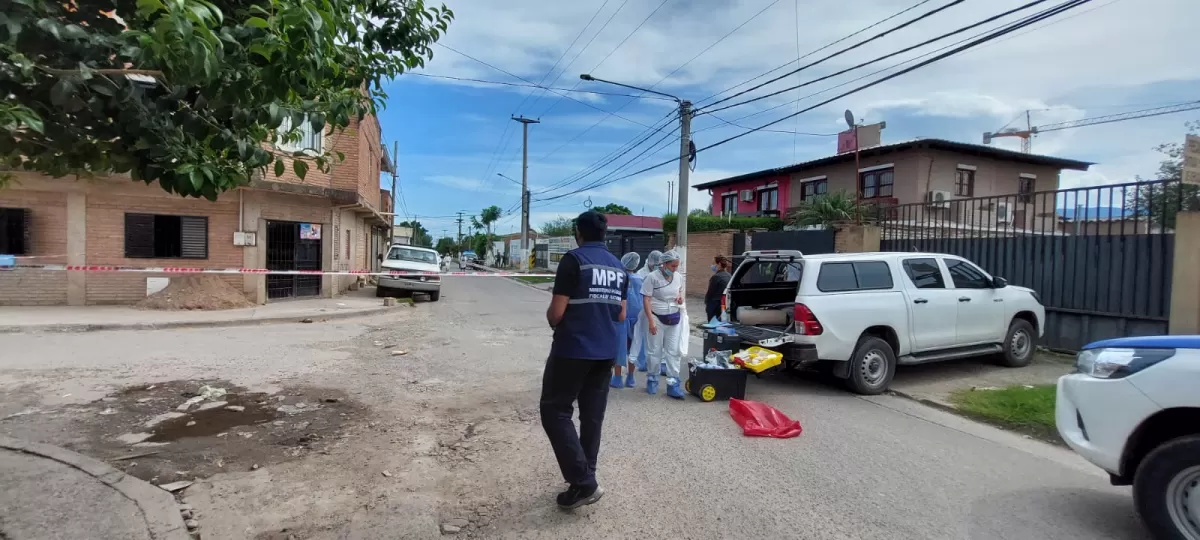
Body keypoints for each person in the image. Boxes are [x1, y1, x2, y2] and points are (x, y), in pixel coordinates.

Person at [541, 211, 626, 509]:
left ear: (579, 232)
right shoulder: (619, 267)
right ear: (605, 234)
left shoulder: (574, 260)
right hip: (606, 351)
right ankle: (584, 479)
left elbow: (557, 312)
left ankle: (584, 482)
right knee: (592, 417)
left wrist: (552, 320)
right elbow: (622, 314)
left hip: (573, 349)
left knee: (554, 411)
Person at [642, 249, 685, 399]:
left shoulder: (678, 277)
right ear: (664, 264)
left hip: (673, 318)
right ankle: (652, 379)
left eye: (677, 266)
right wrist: (651, 321)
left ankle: (673, 385)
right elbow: (646, 299)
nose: (675, 269)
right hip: (657, 318)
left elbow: (679, 292)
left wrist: (679, 298)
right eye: (673, 266)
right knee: (655, 352)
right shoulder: (652, 277)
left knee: (673, 352)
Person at [611, 252, 642, 389]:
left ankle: (617, 378)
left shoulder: (619, 278)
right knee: (633, 348)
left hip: (621, 318)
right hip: (637, 318)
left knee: (620, 348)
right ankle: (630, 377)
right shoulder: (639, 279)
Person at [705, 255, 733, 322]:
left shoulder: (716, 277)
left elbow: (710, 293)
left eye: (714, 263)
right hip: (725, 303)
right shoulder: (729, 275)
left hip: (715, 305)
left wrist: (706, 302)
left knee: (713, 325)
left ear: (719, 264)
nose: (712, 265)